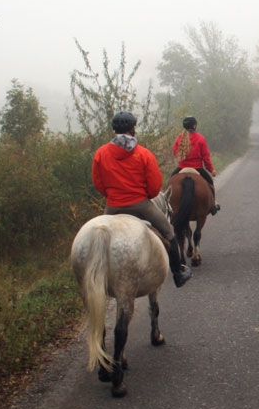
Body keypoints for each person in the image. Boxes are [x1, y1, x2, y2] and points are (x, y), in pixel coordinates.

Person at [92, 110, 191, 287]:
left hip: (112, 206)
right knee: (169, 232)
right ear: (132, 129)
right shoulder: (143, 154)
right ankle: (178, 273)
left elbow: (98, 182)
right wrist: (143, 196)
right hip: (140, 205)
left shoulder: (100, 153)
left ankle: (94, 275)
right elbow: (154, 187)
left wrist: (112, 196)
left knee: (97, 236)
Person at [170, 115, 220, 215]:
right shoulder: (200, 138)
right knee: (210, 183)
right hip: (198, 168)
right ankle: (213, 204)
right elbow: (206, 157)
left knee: (171, 181)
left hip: (182, 167)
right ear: (194, 126)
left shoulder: (179, 138)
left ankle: (168, 205)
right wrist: (212, 170)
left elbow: (175, 152)